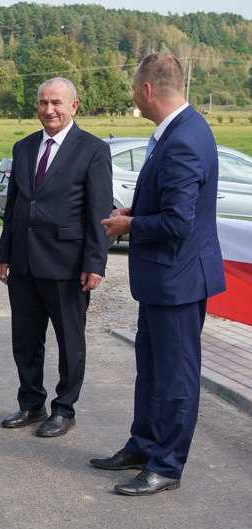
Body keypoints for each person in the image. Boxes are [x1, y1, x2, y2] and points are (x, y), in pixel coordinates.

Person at [96, 53, 225, 495]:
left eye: (134, 89)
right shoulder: (179, 131)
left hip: (179, 280)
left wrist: (128, 225)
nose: (133, 97)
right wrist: (137, 211)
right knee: (151, 370)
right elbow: (171, 207)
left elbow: (178, 223)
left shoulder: (184, 139)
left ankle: (166, 466)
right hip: (164, 279)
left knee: (176, 377)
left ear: (148, 90)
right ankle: (144, 445)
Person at [0, 77, 113, 438]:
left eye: (57, 102)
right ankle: (31, 404)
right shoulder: (24, 146)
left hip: (67, 265)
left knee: (69, 342)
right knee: (25, 340)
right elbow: (14, 205)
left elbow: (98, 212)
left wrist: (95, 262)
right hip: (24, 263)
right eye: (43, 103)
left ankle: (64, 409)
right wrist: (4, 253)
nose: (49, 110)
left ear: (74, 106)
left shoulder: (92, 149)